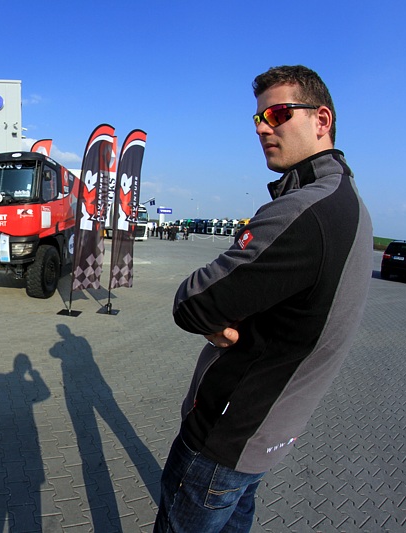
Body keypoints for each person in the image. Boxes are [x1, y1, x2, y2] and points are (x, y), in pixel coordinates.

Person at [154, 65, 373, 532]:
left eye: (277, 114)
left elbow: (192, 303)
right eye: (258, 118)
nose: (262, 128)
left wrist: (216, 315)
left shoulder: (304, 210)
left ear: (321, 119)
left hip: (224, 437)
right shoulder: (348, 200)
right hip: (268, 433)